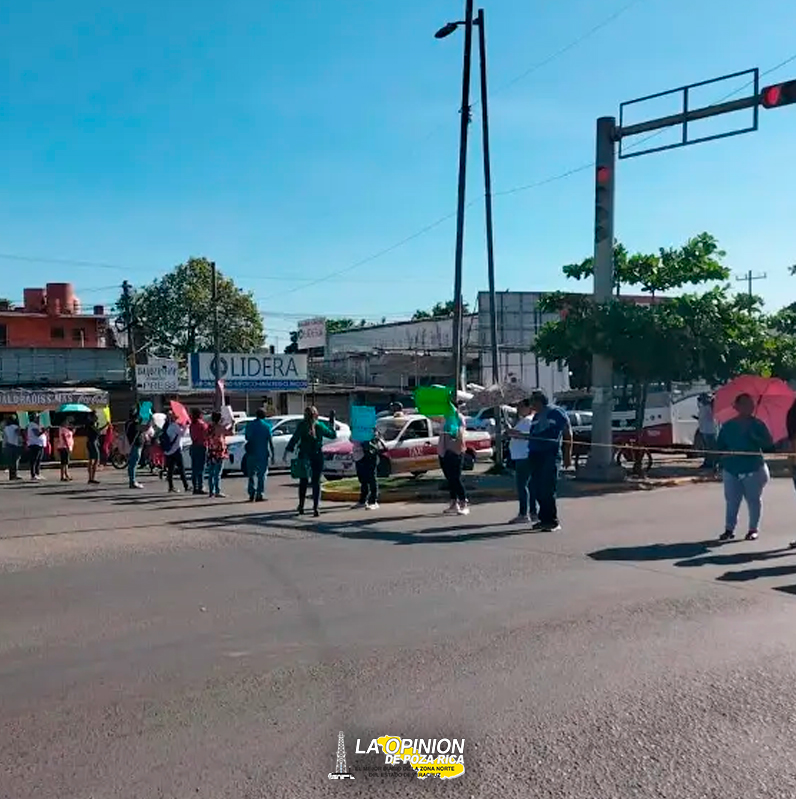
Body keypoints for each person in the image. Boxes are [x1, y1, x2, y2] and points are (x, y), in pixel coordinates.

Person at [716, 392, 774, 542]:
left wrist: (757, 439)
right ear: (737, 406)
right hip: (732, 469)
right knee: (732, 500)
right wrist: (723, 456)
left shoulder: (758, 425)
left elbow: (769, 445)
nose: (749, 406)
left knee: (754, 500)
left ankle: (753, 529)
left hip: (754, 468)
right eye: (745, 403)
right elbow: (718, 448)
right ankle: (729, 529)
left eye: (751, 404)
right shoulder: (728, 426)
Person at [527, 390, 573, 532]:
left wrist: (567, 454)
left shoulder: (555, 412)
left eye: (532, 401)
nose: (530, 404)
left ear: (539, 401)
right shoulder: (535, 417)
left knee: (547, 488)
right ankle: (543, 519)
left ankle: (552, 521)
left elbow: (567, 432)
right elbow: (533, 435)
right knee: (537, 488)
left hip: (550, 454)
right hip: (535, 454)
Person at [286, 406, 336, 517]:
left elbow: (294, 438)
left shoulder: (302, 425)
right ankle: (315, 508)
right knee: (316, 482)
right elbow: (332, 435)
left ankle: (301, 506)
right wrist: (332, 423)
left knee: (303, 482)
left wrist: (288, 450)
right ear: (316, 415)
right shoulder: (320, 426)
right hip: (317, 456)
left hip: (304, 456)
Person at [506, 398, 538, 523]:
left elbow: (524, 435)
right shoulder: (525, 420)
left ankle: (524, 513)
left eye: (520, 406)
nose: (518, 409)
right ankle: (533, 512)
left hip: (523, 456)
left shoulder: (527, 420)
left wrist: (511, 432)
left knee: (522, 485)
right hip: (523, 455)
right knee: (530, 485)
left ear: (528, 407)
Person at [438, 405, 469, 516]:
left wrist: (454, 432)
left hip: (455, 451)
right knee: (449, 478)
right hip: (443, 451)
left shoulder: (458, 417)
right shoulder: (444, 418)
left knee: (455, 478)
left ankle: (463, 502)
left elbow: (460, 432)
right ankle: (453, 502)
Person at [245, 408, 275, 502]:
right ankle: (260, 493)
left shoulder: (250, 425)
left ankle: (251, 493)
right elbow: (270, 441)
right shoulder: (267, 426)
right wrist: (273, 454)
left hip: (251, 452)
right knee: (262, 475)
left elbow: (247, 437)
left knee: (251, 474)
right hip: (262, 453)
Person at [353, 431, 385, 510]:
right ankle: (363, 500)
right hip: (359, 455)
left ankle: (373, 501)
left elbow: (374, 440)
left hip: (370, 454)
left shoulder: (371, 429)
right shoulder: (356, 429)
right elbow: (351, 439)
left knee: (371, 478)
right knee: (362, 479)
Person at [162, 410, 189, 493]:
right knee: (181, 469)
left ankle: (171, 487)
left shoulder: (166, 426)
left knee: (170, 470)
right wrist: (186, 426)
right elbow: (183, 434)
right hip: (176, 450)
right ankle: (186, 486)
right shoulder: (174, 426)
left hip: (168, 450)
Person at [206, 411, 230, 498]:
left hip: (211, 451)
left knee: (211, 472)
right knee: (217, 473)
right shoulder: (220, 428)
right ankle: (217, 491)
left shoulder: (210, 427)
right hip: (219, 452)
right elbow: (230, 433)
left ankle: (211, 491)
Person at [189, 408, 209, 495]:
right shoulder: (202, 425)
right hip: (201, 446)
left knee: (194, 468)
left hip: (194, 445)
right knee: (201, 468)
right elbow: (206, 435)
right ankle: (200, 486)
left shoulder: (192, 424)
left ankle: (195, 486)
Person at [125, 407, 145, 489]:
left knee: (132, 464)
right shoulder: (134, 424)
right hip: (135, 445)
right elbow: (143, 428)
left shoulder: (128, 423)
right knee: (133, 464)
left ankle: (132, 480)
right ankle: (132, 481)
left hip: (133, 445)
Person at [697, 393, 718, 471]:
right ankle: (707, 462)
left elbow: (712, 417)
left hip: (710, 431)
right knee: (706, 448)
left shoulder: (710, 407)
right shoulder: (703, 407)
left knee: (711, 448)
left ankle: (713, 463)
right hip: (703, 430)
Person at [26, 413, 47, 481]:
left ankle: (38, 473)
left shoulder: (39, 425)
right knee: (34, 460)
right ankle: (33, 475)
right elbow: (37, 434)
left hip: (40, 444)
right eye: (37, 417)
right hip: (34, 444)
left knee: (39, 460)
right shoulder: (32, 425)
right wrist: (44, 430)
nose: (39, 419)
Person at [3, 414, 23, 481]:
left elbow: (5, 438)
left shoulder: (6, 428)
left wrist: (4, 446)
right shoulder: (16, 427)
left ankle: (11, 476)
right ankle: (15, 475)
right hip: (15, 445)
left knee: (10, 462)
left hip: (8, 445)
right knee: (16, 461)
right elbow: (19, 435)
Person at [86, 412, 101, 484]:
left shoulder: (90, 424)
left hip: (91, 442)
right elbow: (98, 432)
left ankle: (91, 477)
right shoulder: (91, 425)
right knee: (96, 459)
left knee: (91, 459)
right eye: (95, 416)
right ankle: (92, 478)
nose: (97, 417)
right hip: (93, 443)